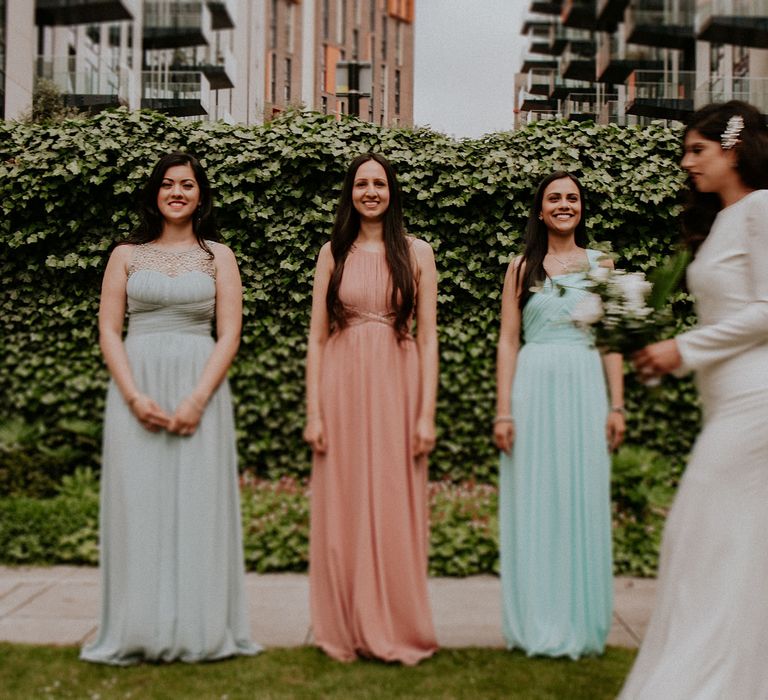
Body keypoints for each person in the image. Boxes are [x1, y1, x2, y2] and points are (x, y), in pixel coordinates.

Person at [81, 152, 260, 664]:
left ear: (200, 194)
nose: (177, 192)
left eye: (186, 184)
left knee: (198, 503)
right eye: (167, 184)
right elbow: (108, 331)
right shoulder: (126, 255)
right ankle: (137, 627)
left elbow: (229, 334)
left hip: (200, 385)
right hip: (136, 386)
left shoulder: (218, 256)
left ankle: (199, 628)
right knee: (138, 504)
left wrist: (198, 398)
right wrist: (134, 396)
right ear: (155, 195)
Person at [621, 102, 768, 698]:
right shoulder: (726, 220)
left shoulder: (762, 209)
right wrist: (662, 356)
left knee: (697, 536)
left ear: (731, 149)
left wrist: (683, 348)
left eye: (696, 150)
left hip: (757, 402)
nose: (687, 163)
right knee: (725, 548)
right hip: (724, 399)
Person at [303, 152, 439, 665]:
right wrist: (314, 411)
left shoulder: (417, 253)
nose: (371, 192)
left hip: (398, 383)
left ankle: (395, 623)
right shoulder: (331, 252)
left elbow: (429, 339)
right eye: (362, 184)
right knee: (343, 500)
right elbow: (316, 338)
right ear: (351, 193)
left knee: (393, 499)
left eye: (379, 183)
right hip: (341, 383)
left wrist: (426, 412)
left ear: (392, 191)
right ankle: (344, 624)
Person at [493, 171, 625, 659]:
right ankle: (536, 618)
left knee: (581, 493)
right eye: (555, 198)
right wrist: (503, 410)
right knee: (537, 496)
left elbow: (612, 338)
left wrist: (617, 403)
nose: (564, 204)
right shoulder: (520, 267)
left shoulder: (601, 264)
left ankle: (579, 618)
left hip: (585, 383)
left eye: (572, 197)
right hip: (534, 383)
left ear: (581, 208)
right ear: (541, 210)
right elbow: (509, 340)